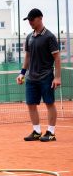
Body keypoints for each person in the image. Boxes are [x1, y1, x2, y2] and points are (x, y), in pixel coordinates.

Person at [16, 8, 61, 142]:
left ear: (40, 18)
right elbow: (28, 57)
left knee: (49, 103)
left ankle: (51, 132)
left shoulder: (49, 37)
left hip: (46, 76)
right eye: (28, 20)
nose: (30, 22)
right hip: (31, 78)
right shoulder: (29, 37)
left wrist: (57, 77)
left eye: (32, 19)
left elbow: (57, 58)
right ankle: (36, 131)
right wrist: (22, 73)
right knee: (31, 104)